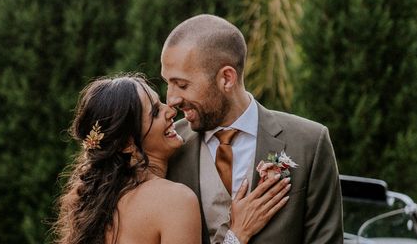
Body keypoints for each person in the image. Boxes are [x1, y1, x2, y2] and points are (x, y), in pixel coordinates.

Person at [164, 14, 343, 244]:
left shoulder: (310, 143)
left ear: (227, 79)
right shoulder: (169, 147)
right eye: (167, 83)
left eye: (182, 85)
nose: (171, 99)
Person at [54, 75, 291, 244]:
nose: (171, 111)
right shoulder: (173, 200)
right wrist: (238, 234)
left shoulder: (89, 201)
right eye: (155, 112)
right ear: (128, 143)